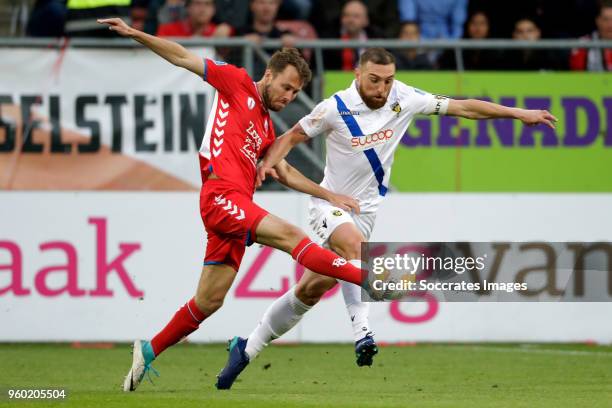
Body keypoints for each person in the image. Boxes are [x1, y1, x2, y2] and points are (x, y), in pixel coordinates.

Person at [215, 47, 558, 390]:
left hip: (365, 212)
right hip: (329, 206)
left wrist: (517, 113)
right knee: (355, 249)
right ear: (358, 75)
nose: (382, 88)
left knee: (310, 290)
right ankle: (363, 333)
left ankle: (246, 348)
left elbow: (464, 107)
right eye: (374, 80)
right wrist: (266, 163)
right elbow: (291, 137)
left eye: (388, 80)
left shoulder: (404, 98)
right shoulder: (335, 106)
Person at [97, 17, 375, 392]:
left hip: (234, 209)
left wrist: (329, 195)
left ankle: (148, 351)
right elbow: (181, 56)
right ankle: (370, 276)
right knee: (292, 236)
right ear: (269, 74)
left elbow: (286, 172)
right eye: (286, 87)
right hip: (220, 197)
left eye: (295, 93)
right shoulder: (236, 82)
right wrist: (136, 34)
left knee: (209, 301)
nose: (288, 97)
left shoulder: (265, 128)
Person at [321, 0, 386, 71]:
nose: (350, 20)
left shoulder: (377, 37)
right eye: (346, 15)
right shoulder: (330, 39)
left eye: (356, 16)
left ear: (366, 20)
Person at [570, 0, 612, 71]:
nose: (610, 25)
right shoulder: (583, 44)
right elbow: (577, 76)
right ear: (597, 21)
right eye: (606, 19)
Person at [157, 0, 232, 37]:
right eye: (197, 3)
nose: (202, 10)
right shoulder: (167, 30)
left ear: (214, 9)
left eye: (207, 4)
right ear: (188, 7)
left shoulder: (219, 32)